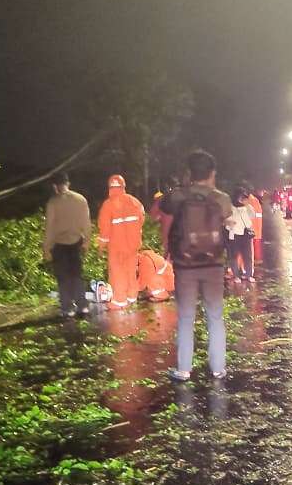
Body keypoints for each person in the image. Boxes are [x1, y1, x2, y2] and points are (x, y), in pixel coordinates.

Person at [161, 149, 234, 382]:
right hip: (213, 265)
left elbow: (161, 207)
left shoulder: (178, 196)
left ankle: (184, 369)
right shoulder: (221, 198)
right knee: (215, 316)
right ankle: (218, 368)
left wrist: (183, 186)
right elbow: (227, 217)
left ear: (189, 173)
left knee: (185, 317)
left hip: (185, 265)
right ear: (212, 173)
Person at [42, 171, 91, 317]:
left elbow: (50, 227)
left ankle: (67, 308)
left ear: (55, 186)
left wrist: (46, 248)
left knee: (63, 276)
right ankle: (82, 306)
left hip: (60, 244)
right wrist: (87, 241)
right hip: (76, 242)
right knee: (76, 274)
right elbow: (86, 223)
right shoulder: (80, 199)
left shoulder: (53, 202)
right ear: (68, 184)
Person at [96, 174, 145, 311]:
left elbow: (104, 230)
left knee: (117, 273)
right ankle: (131, 298)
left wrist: (101, 247)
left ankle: (119, 301)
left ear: (110, 187)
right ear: (123, 186)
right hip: (133, 246)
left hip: (116, 247)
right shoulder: (135, 202)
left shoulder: (108, 205)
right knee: (130, 271)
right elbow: (141, 220)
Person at [226, 187, 256, 283]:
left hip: (246, 234)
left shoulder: (246, 207)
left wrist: (247, 206)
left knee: (248, 255)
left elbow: (253, 215)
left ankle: (249, 275)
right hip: (234, 234)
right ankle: (236, 276)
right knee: (234, 256)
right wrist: (228, 223)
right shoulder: (230, 207)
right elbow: (225, 219)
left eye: (243, 197)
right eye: (240, 197)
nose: (242, 199)